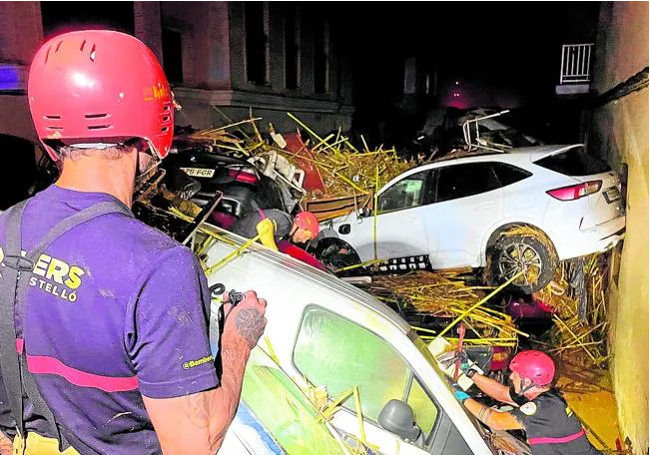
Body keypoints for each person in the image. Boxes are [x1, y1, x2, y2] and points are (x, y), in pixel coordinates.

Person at [0, 30, 267, 455]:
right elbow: (196, 443)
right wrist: (237, 343)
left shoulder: (5, 229)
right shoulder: (160, 268)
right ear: (153, 123)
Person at [452, 350, 601, 455]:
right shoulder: (543, 396)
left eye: (515, 375)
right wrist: (470, 372)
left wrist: (460, 396)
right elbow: (501, 393)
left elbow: (495, 421)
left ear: (528, 381)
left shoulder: (543, 409)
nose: (511, 378)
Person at [230, 208, 328, 271]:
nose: (303, 241)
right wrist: (275, 255)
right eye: (306, 237)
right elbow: (263, 226)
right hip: (234, 241)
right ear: (302, 226)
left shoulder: (285, 223)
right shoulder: (286, 223)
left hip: (236, 241)